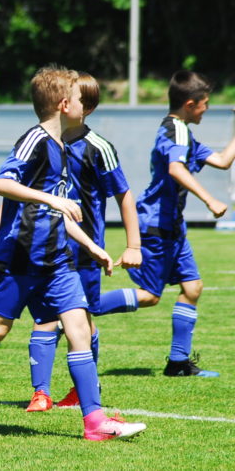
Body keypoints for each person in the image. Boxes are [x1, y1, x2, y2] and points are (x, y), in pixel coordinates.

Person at [0, 65, 146, 440]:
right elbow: (2, 183)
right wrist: (51, 198)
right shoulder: (35, 140)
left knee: (79, 327)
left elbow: (55, 211)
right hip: (21, 257)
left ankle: (95, 422)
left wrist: (92, 245)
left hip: (57, 260)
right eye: (80, 99)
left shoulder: (63, 147)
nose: (86, 103)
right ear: (65, 105)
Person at [98, 70, 235, 377]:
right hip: (156, 226)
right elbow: (175, 169)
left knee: (193, 287)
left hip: (173, 228)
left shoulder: (183, 132)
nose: (207, 109)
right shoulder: (177, 131)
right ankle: (79, 311)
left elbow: (224, 160)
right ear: (190, 104)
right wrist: (210, 200)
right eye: (205, 104)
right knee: (149, 296)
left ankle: (177, 363)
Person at [22, 72, 142, 411]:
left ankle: (82, 391)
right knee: (45, 317)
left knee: (82, 319)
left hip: (85, 251)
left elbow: (124, 195)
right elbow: (25, 187)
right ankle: (41, 392)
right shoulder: (46, 142)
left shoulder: (98, 148)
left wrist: (133, 245)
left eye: (72, 96)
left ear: (83, 107)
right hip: (46, 245)